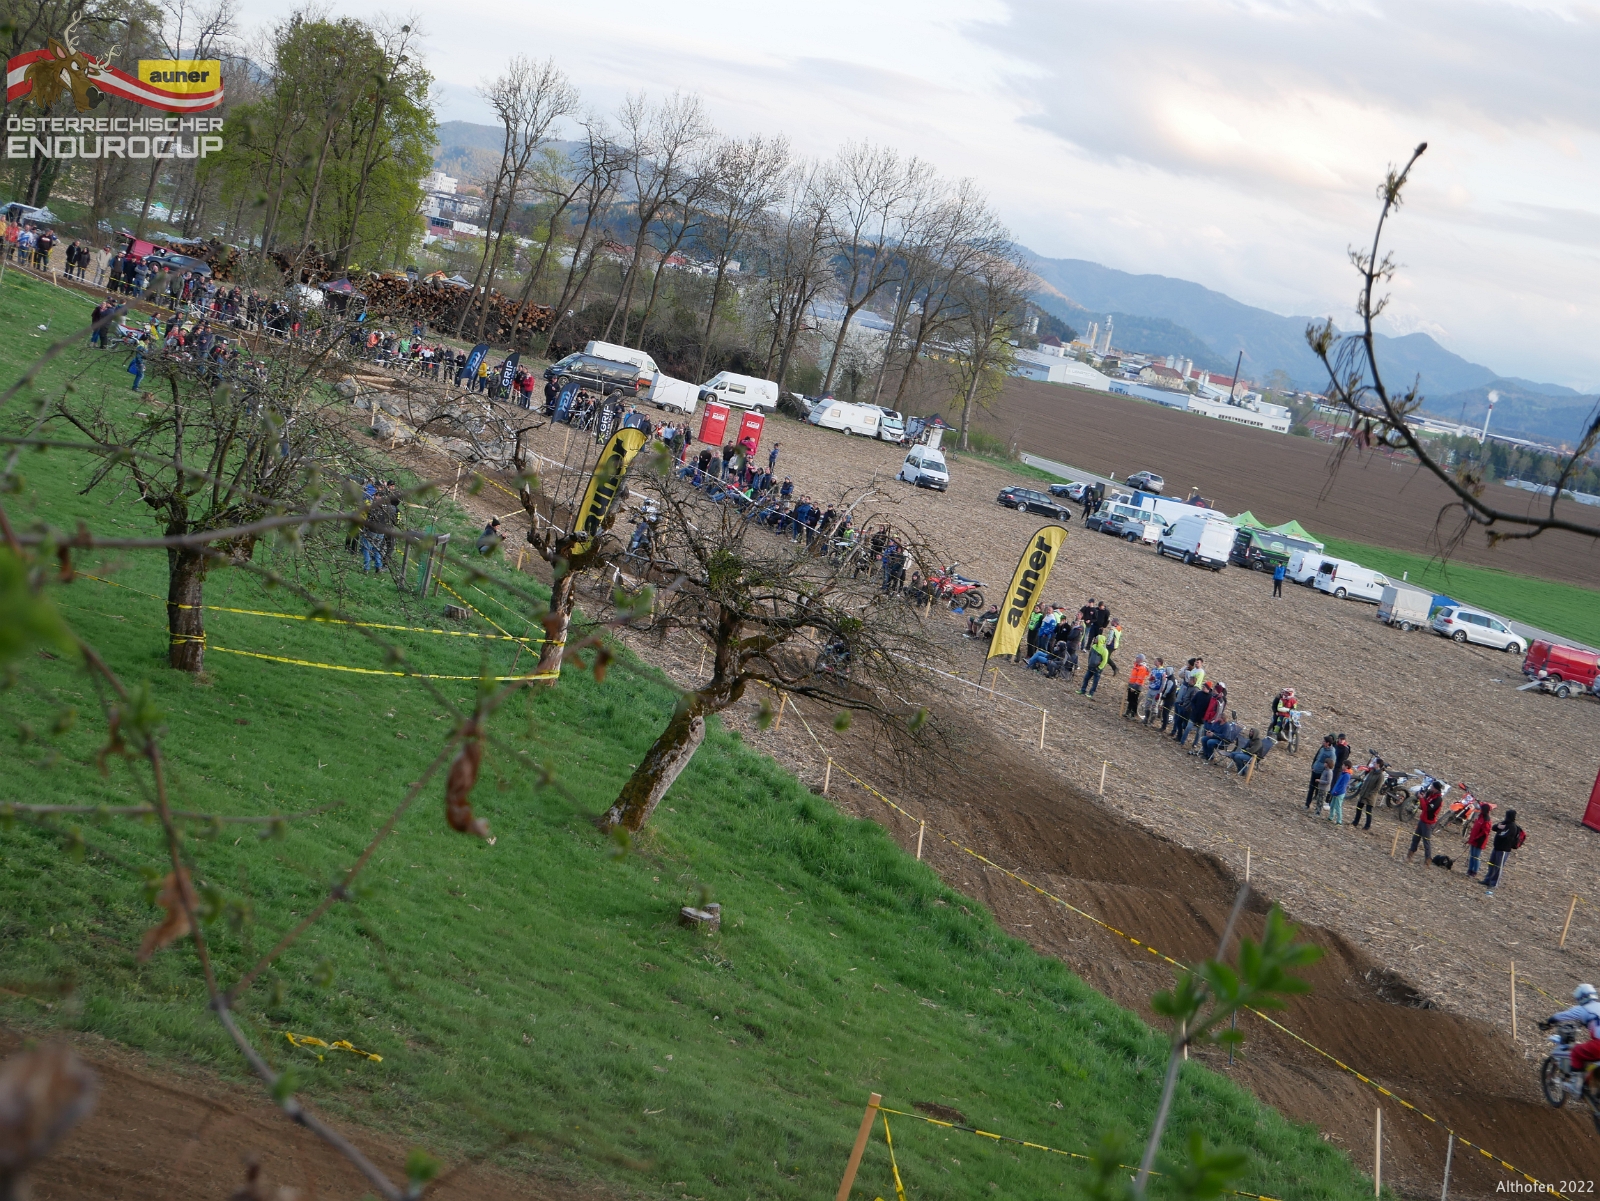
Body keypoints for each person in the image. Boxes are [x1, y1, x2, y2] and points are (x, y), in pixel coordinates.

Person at [1538, 984, 1600, 1097]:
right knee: (1589, 1055)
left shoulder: (1583, 1009)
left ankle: (1576, 1087)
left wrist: (1548, 1023)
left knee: (1576, 1051)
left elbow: (1559, 1017)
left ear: (1581, 997)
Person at [1482, 808, 1523, 894]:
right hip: (1496, 848)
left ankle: (1494, 883)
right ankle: (1487, 880)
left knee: (1498, 867)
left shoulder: (1512, 827)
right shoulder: (1505, 823)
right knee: (1491, 864)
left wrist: (1501, 829)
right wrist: (1498, 827)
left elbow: (1503, 835)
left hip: (1503, 850)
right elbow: (1494, 828)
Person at [1406, 781, 1445, 865]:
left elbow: (1426, 808)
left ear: (1436, 789)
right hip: (1422, 820)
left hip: (1428, 823)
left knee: (1426, 842)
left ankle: (1427, 861)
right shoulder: (1430, 794)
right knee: (1415, 838)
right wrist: (1422, 796)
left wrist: (1421, 798)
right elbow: (1424, 803)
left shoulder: (1438, 799)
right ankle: (1409, 856)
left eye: (1432, 787)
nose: (1431, 788)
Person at [1351, 753, 1384, 832]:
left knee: (1368, 811)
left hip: (1370, 797)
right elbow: (1366, 781)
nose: (1374, 764)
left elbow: (1377, 788)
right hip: (1364, 793)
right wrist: (1362, 789)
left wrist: (1370, 794)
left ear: (1378, 765)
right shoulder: (1372, 772)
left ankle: (1367, 826)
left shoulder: (1380, 776)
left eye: (1375, 763)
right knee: (1358, 808)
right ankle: (1355, 822)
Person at [1305, 736, 1335, 809]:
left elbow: (1331, 765)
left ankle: (1317, 808)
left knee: (1319, 791)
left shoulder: (1331, 753)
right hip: (1315, 771)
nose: (1322, 742)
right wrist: (1313, 766)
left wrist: (1324, 772)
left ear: (1328, 743)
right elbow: (1317, 758)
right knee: (1311, 788)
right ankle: (1307, 804)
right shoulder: (1322, 749)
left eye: (1324, 741)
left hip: (1321, 774)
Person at [1465, 804, 1493, 877]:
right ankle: (1470, 870)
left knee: (1476, 856)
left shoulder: (1486, 820)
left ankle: (1474, 871)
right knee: (1472, 855)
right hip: (1474, 839)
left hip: (1480, 841)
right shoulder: (1480, 817)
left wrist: (1477, 838)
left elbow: (1485, 832)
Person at [1080, 630, 1108, 697]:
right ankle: (1083, 690)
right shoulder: (1094, 646)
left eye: (1096, 638)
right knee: (1086, 678)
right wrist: (1089, 662)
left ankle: (1091, 693)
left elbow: (1105, 661)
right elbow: (1090, 655)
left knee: (1095, 682)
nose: (1095, 639)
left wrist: (1099, 668)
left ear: (1100, 640)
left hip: (1097, 669)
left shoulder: (1104, 650)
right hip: (1090, 667)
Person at [1123, 654, 1150, 718]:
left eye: (1137, 658)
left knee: (1134, 700)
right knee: (1130, 699)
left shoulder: (1142, 668)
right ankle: (1128, 712)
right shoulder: (1136, 666)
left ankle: (1133, 714)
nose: (1136, 658)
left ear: (1140, 659)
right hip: (1132, 685)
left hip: (1136, 686)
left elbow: (1140, 678)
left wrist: (1134, 687)